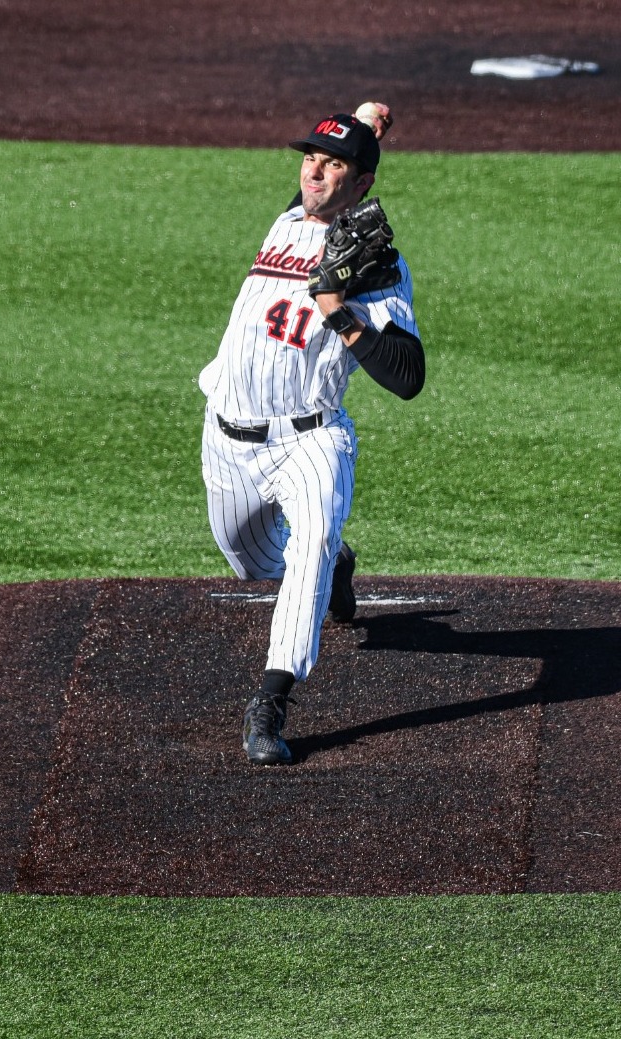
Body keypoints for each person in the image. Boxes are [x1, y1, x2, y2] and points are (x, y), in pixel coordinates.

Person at [197, 110, 426, 766]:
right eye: (309, 161)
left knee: (312, 544)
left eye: (333, 166)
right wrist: (357, 123)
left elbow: (407, 377)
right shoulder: (286, 222)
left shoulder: (377, 265)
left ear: (362, 183)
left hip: (310, 439)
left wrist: (340, 313)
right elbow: (318, 184)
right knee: (251, 563)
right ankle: (335, 562)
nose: (314, 174)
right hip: (228, 440)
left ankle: (270, 698)